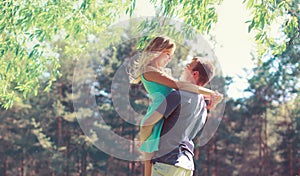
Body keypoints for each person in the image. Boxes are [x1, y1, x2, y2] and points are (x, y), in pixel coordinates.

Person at [130, 36, 221, 176]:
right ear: (157, 51)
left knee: (149, 154)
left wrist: (210, 100)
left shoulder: (177, 92)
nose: (170, 59)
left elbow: (184, 90)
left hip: (165, 125)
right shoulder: (149, 71)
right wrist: (211, 93)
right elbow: (180, 86)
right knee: (148, 152)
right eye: (168, 54)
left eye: (171, 56)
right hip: (160, 114)